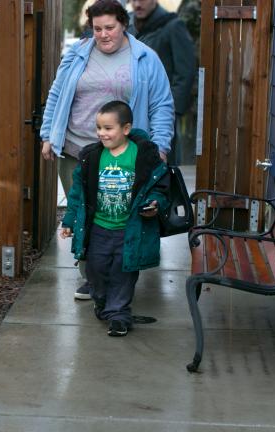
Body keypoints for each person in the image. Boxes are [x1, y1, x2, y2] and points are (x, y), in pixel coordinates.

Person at [40, 0, 174, 300]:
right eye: (97, 28)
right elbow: (57, 95)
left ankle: (118, 274)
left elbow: (162, 105)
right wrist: (48, 134)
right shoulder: (76, 55)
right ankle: (91, 276)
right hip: (78, 150)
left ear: (123, 24)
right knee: (85, 214)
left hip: (123, 153)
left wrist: (160, 147)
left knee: (116, 215)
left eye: (109, 27)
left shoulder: (144, 58)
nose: (103, 34)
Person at [60, 100, 169, 336]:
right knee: (95, 269)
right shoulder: (92, 157)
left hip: (128, 228)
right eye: (99, 128)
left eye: (108, 128)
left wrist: (154, 204)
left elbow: (158, 188)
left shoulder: (142, 156)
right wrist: (69, 221)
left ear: (126, 129)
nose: (102, 133)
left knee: (123, 271)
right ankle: (103, 304)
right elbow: (77, 193)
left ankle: (119, 314)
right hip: (98, 227)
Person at [128, 0, 196, 165]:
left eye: (142, 0)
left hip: (161, 109)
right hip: (132, 106)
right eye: (133, 0)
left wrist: (173, 111)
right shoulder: (126, 23)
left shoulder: (172, 25)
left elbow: (185, 71)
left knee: (161, 166)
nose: (137, 4)